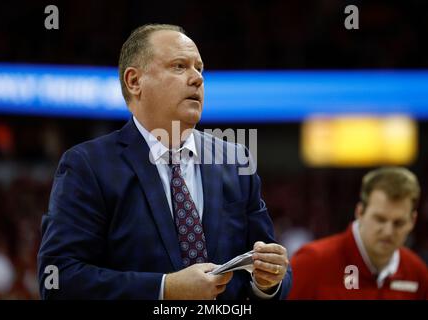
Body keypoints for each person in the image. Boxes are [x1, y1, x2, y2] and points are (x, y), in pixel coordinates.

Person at [37, 24, 292, 300]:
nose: (197, 79)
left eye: (200, 68)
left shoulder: (235, 160)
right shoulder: (87, 165)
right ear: (134, 82)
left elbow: (271, 266)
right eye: (180, 66)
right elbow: (58, 278)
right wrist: (164, 289)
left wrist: (268, 282)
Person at [288, 167, 428, 299]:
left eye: (398, 223)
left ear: (412, 221)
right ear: (360, 212)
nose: (388, 231)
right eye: (380, 219)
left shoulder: (417, 273)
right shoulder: (312, 262)